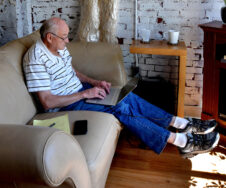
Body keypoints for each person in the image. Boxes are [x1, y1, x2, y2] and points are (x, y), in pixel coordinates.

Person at [23, 17, 219, 157]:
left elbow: (72, 72)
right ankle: (182, 142)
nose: (67, 41)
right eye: (64, 37)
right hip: (65, 105)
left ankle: (181, 124)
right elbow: (47, 102)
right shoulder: (36, 58)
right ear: (49, 37)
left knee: (124, 96)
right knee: (120, 107)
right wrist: (85, 94)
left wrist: (94, 83)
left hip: (79, 91)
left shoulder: (58, 48)